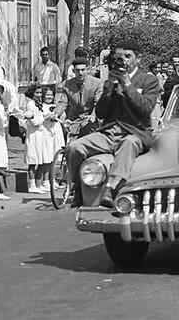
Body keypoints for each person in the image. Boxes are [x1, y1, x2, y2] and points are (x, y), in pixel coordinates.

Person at [65, 44, 162, 206]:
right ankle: (79, 185)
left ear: (138, 59)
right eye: (119, 57)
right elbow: (101, 112)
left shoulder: (148, 80)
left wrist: (127, 85)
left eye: (127, 56)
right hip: (109, 132)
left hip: (134, 133)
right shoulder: (110, 79)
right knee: (74, 147)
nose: (122, 60)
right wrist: (109, 88)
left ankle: (111, 188)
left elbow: (145, 108)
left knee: (129, 144)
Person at [20, 85, 53, 194]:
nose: (39, 95)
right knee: (33, 161)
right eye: (37, 93)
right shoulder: (30, 104)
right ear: (32, 93)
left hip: (40, 135)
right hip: (33, 135)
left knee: (40, 159)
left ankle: (38, 184)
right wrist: (44, 118)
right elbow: (34, 122)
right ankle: (32, 185)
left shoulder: (38, 104)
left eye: (40, 93)